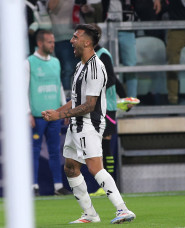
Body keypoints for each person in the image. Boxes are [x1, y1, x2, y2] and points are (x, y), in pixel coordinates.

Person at [42, 24, 135, 224]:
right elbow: (76, 100)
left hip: (89, 124)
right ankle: (90, 214)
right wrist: (57, 111)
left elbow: (90, 105)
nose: (71, 41)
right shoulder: (80, 66)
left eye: (75, 37)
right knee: (70, 167)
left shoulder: (95, 67)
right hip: (76, 124)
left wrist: (59, 117)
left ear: (86, 42)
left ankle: (122, 209)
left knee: (95, 168)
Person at [89, 24, 135, 196]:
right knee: (99, 146)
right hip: (97, 108)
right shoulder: (92, 57)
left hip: (106, 108)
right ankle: (105, 184)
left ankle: (108, 184)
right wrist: (125, 97)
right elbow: (114, 77)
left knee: (105, 145)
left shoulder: (103, 55)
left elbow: (110, 80)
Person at [25, 30, 71, 196]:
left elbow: (58, 86)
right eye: (49, 42)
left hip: (54, 115)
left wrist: (64, 109)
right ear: (40, 43)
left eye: (53, 41)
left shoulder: (56, 62)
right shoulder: (29, 62)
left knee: (55, 151)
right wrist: (27, 112)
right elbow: (24, 89)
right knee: (34, 151)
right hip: (37, 115)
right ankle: (33, 186)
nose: (53, 44)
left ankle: (58, 186)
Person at [47, 0, 80, 90]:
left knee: (79, 69)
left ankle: (79, 98)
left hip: (78, 37)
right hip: (62, 37)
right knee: (67, 70)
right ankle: (66, 98)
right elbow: (51, 6)